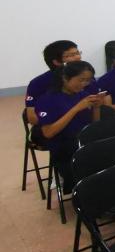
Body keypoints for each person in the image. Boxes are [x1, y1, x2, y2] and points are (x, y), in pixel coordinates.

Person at [35, 61, 105, 191]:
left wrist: (97, 108)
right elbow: (48, 133)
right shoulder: (47, 100)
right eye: (81, 80)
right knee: (89, 175)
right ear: (65, 78)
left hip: (85, 143)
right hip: (64, 148)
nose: (85, 84)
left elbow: (93, 127)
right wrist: (76, 109)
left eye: (88, 80)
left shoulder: (84, 96)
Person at [25, 40, 88, 127]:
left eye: (77, 53)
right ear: (56, 62)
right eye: (71, 55)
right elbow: (32, 118)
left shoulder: (86, 77)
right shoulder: (38, 83)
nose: (78, 57)